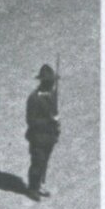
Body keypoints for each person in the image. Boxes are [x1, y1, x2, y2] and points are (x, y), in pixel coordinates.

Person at [25, 64, 60, 200]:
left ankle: (39, 184)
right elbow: (31, 121)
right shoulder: (34, 98)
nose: (52, 84)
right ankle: (32, 188)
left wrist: (56, 126)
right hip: (37, 137)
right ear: (44, 82)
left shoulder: (52, 95)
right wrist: (50, 120)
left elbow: (55, 111)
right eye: (50, 82)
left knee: (45, 161)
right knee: (37, 162)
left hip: (50, 136)